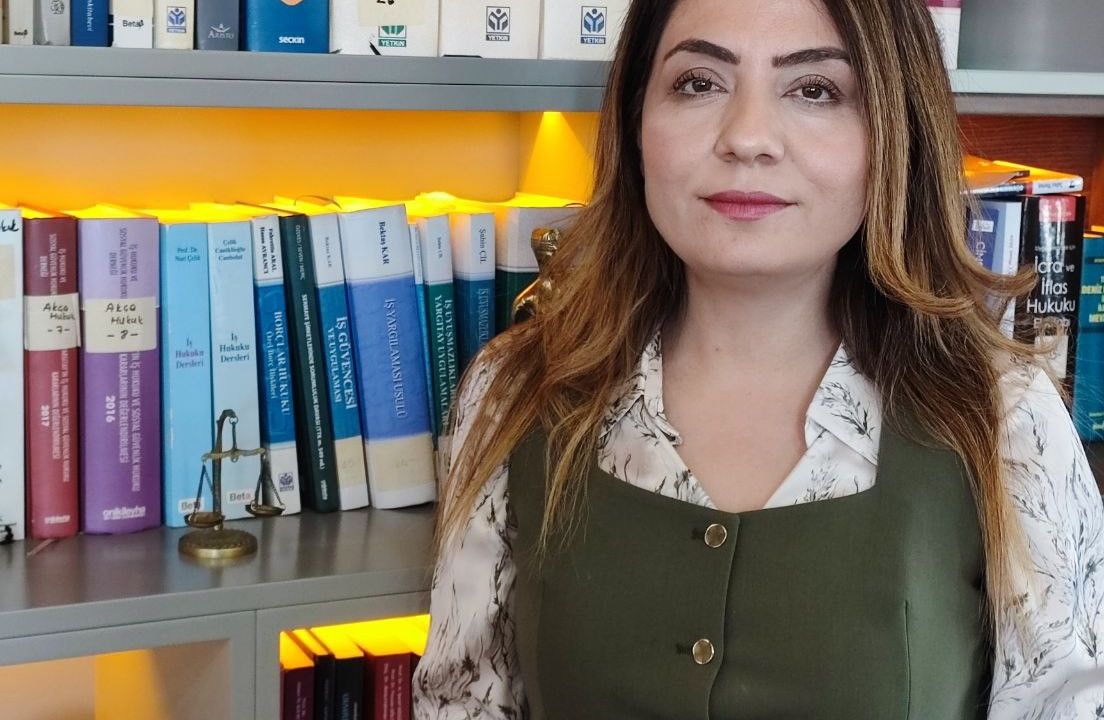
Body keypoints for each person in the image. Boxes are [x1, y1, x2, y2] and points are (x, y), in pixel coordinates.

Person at [411, 0, 1104, 717]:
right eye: (698, 83)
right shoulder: (512, 391)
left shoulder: (1005, 419)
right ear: (635, 122)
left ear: (894, 133)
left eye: (815, 90)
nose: (747, 138)